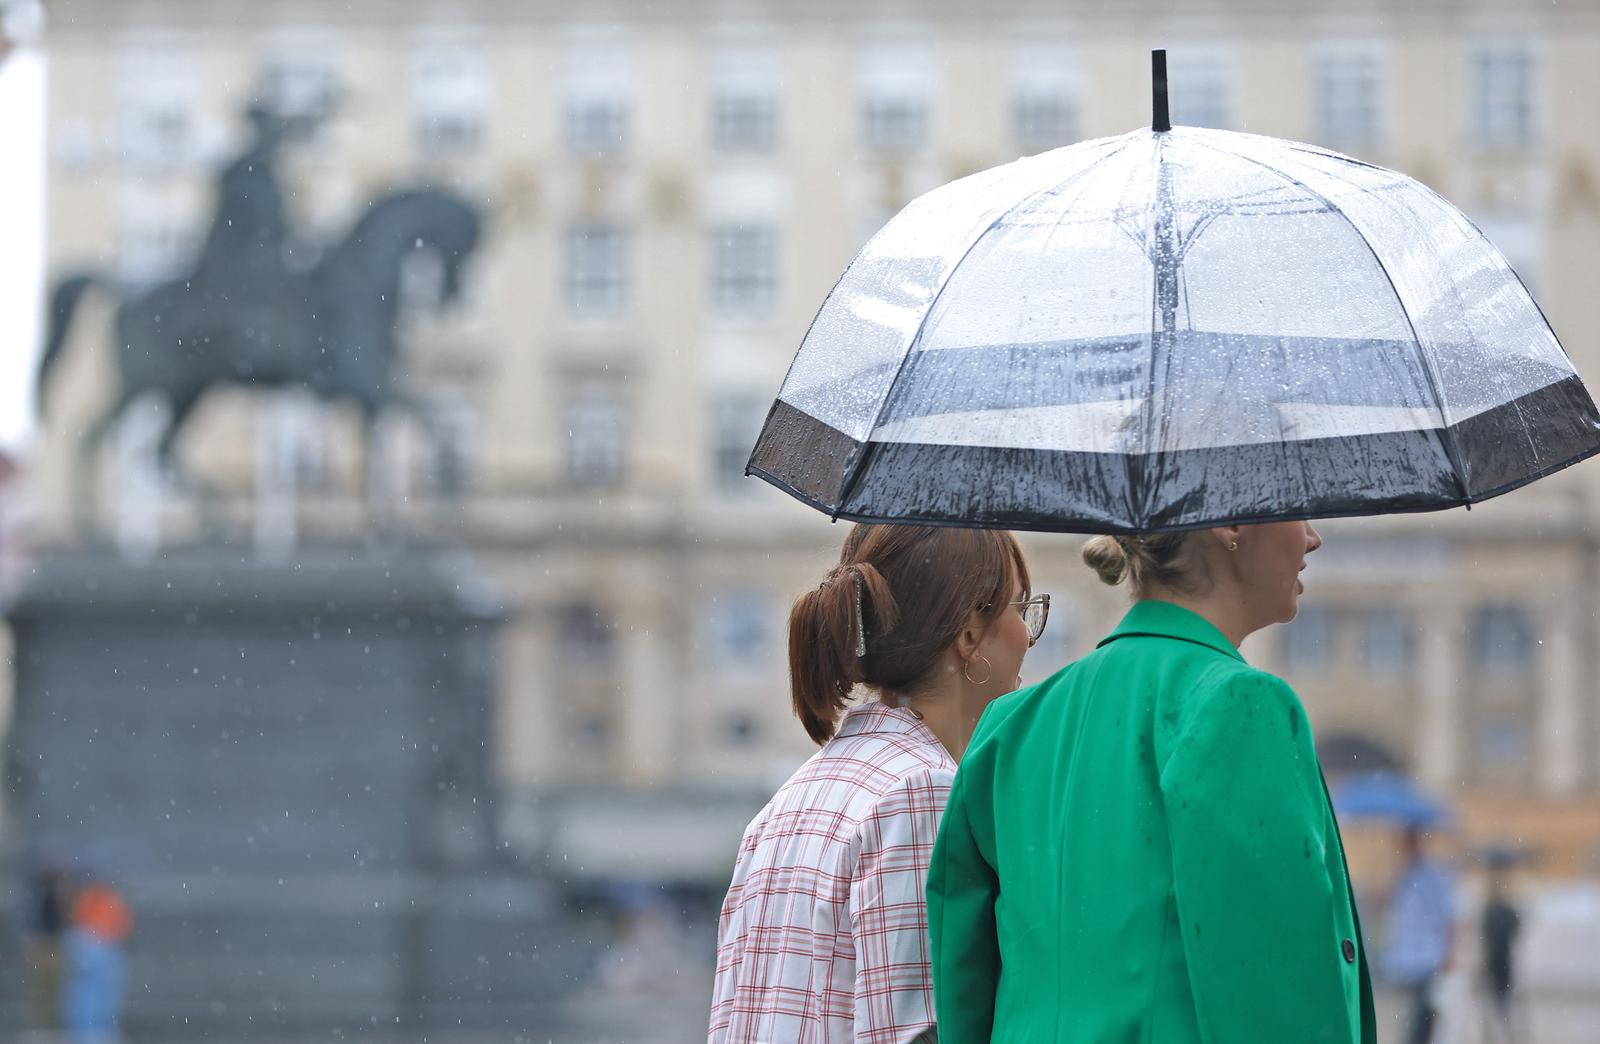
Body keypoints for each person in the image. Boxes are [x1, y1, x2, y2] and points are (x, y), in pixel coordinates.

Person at [928, 522, 1377, 1043]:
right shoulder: (1238, 705)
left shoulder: (1010, 725)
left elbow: (962, 979)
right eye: (1296, 511)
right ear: (1229, 526)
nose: (1312, 537)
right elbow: (1278, 998)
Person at [709, 524, 1044, 1044]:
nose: (1028, 635)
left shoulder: (794, 798)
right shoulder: (920, 792)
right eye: (1022, 609)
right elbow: (913, 1033)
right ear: (968, 634)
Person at [1382, 826, 1457, 1044]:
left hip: (1426, 955)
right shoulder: (1402, 875)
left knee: (1421, 1015)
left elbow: (1448, 915)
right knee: (1410, 1016)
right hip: (1404, 958)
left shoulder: (1433, 876)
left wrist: (1448, 950)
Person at [62, 873, 133, 1042]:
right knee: (90, 997)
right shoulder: (93, 899)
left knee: (98, 997)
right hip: (95, 950)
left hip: (101, 950)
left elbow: (121, 926)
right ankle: (89, 1032)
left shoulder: (103, 899)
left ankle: (93, 1031)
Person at [1480, 860, 1521, 1043]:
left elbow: (1486, 934)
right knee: (1499, 1000)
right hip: (1500, 958)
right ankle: (1502, 1033)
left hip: (1499, 958)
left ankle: (1499, 1033)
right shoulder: (1499, 910)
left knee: (1498, 1000)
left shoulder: (1492, 910)